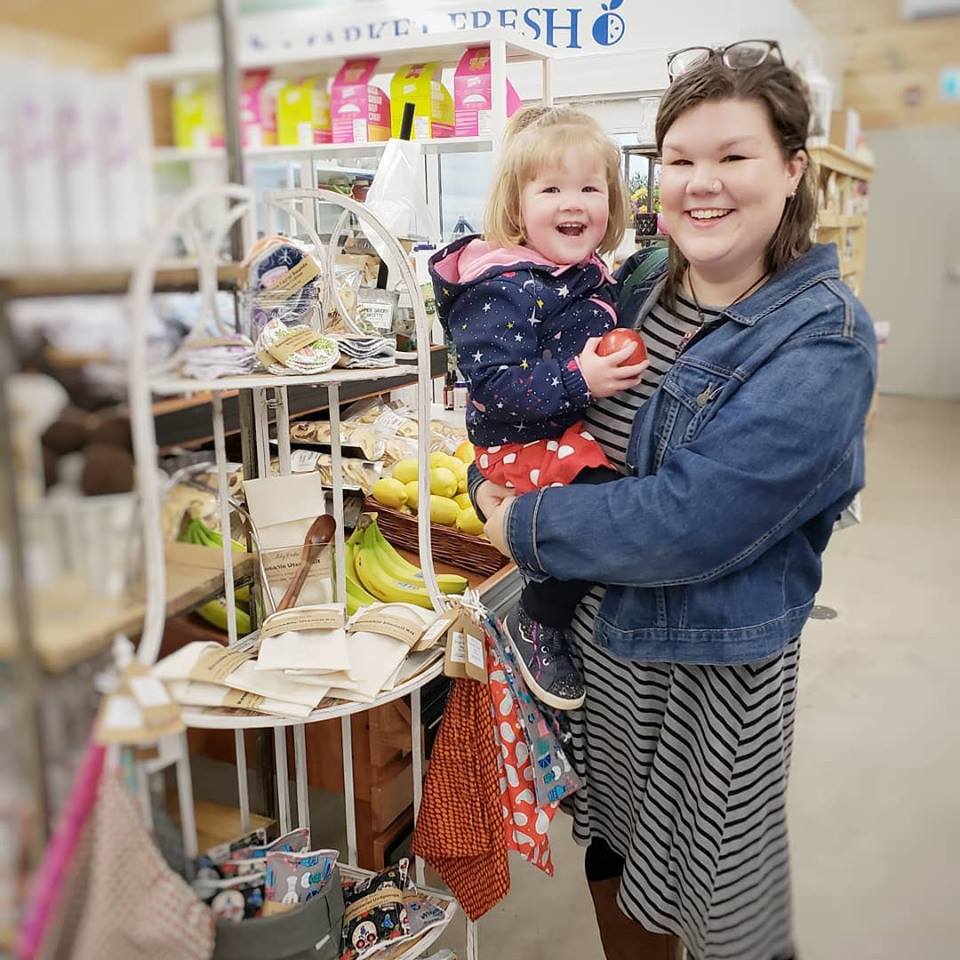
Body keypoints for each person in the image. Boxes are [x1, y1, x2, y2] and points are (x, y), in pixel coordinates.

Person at [474, 42, 877, 960]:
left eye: (733, 157)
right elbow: (536, 409)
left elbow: (690, 523)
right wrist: (491, 465)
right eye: (682, 160)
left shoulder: (823, 341)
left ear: (792, 169)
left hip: (709, 673)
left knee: (723, 912)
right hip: (600, 649)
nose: (703, 185)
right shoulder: (633, 284)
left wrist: (519, 520)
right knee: (614, 856)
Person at [429, 105, 647, 711]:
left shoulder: (579, 274)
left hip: (556, 435)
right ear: (516, 207)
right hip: (521, 447)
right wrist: (582, 377)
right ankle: (536, 619)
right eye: (550, 188)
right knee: (601, 512)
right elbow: (494, 386)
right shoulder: (504, 285)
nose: (572, 202)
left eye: (589, 187)